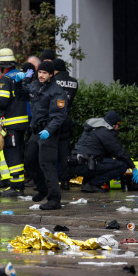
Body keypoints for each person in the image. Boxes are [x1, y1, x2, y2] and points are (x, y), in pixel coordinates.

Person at [16, 60, 67, 210]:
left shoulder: (57, 91)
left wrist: (49, 130)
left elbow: (59, 115)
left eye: (45, 73)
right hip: (36, 130)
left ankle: (54, 199)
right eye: (40, 72)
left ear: (51, 75)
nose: (41, 75)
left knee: (47, 164)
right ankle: (42, 188)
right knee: (30, 160)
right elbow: (21, 95)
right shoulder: (35, 85)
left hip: (48, 131)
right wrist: (18, 83)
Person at [0, 48, 29, 196]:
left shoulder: (5, 79)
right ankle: (18, 186)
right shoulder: (20, 75)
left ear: (1, 64)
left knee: (12, 154)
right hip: (23, 122)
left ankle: (16, 188)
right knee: (18, 152)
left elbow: (3, 102)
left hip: (11, 123)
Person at [71, 110, 137, 193]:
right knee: (122, 165)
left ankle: (86, 184)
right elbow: (118, 151)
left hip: (78, 162)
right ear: (113, 123)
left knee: (100, 161)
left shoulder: (94, 128)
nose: (118, 128)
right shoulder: (105, 131)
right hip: (86, 163)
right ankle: (92, 184)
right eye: (118, 124)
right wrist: (133, 167)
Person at [53, 58, 79, 190]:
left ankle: (51, 180)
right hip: (66, 117)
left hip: (54, 118)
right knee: (64, 151)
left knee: (50, 149)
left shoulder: (53, 81)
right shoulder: (74, 82)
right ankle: (65, 181)